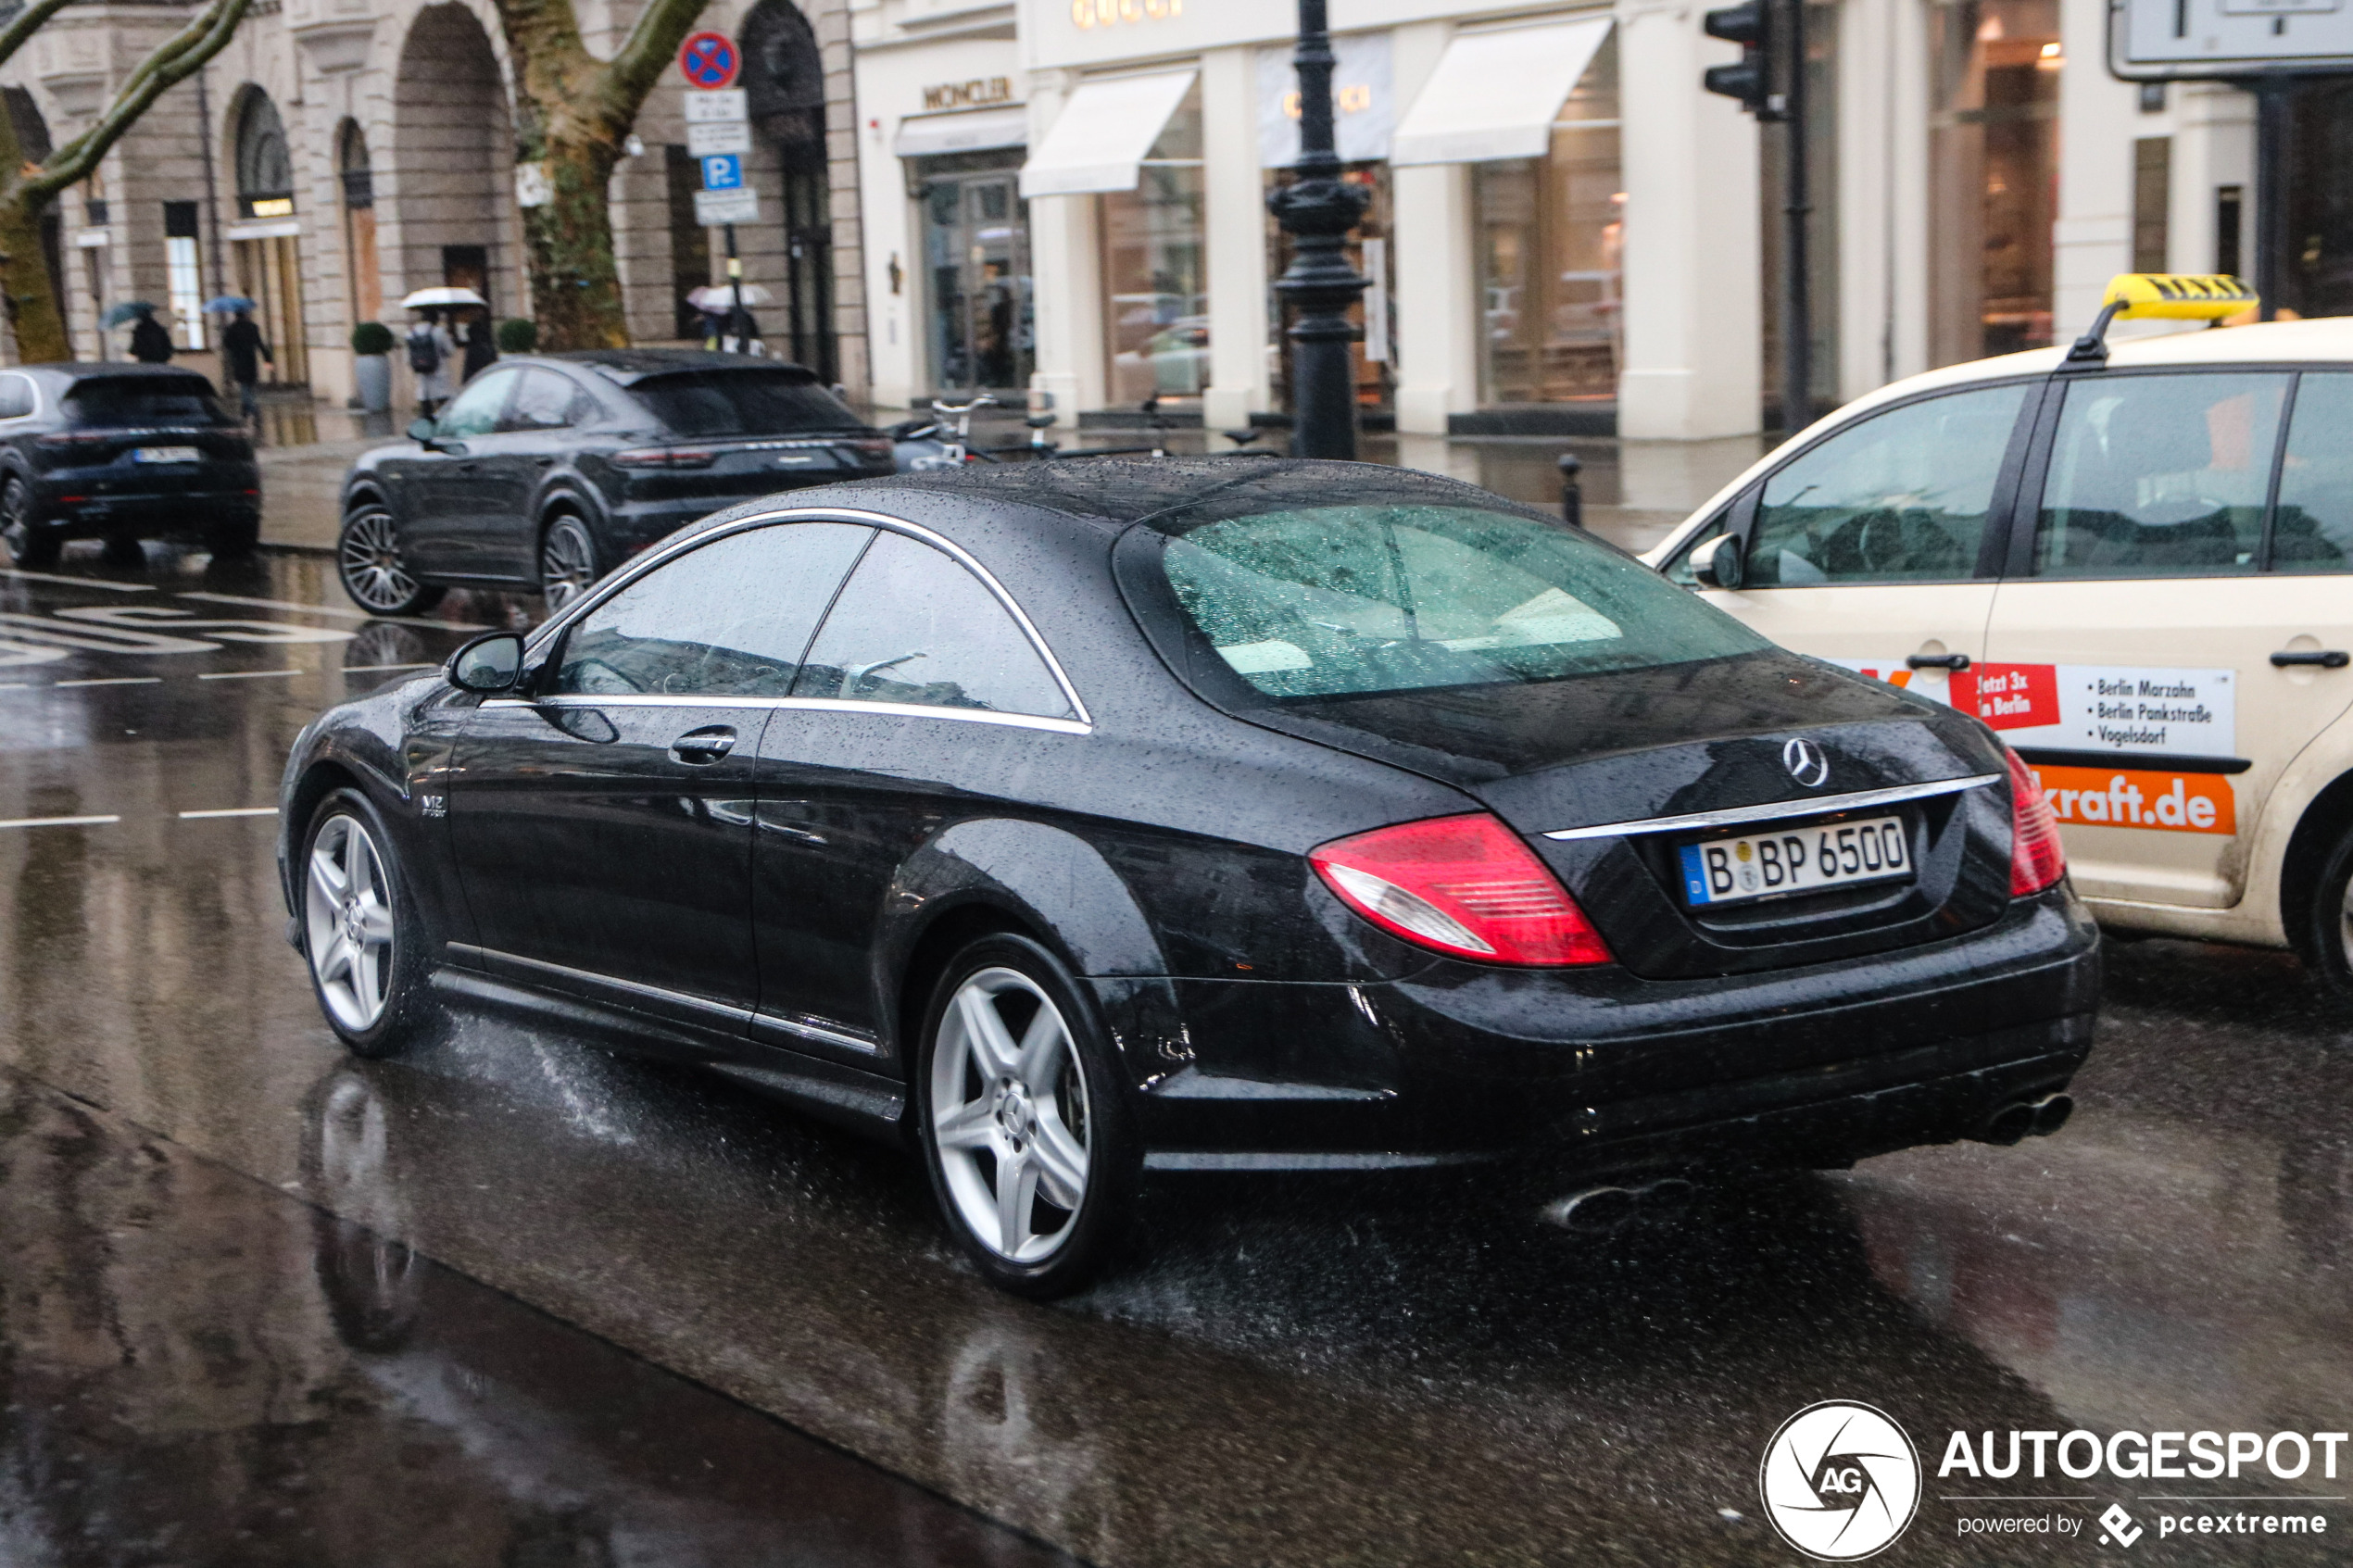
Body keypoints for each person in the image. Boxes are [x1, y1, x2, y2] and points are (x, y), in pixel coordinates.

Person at [219, 308, 270, 420]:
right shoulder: (252, 327)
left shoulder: (232, 328)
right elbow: (259, 343)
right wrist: (267, 359)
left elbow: (227, 344)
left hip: (238, 360)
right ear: (245, 314)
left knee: (244, 385)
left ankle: (248, 408)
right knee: (250, 384)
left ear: (235, 315)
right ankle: (249, 407)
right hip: (250, 359)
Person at [407, 310, 457, 417]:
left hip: (420, 371)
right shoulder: (439, 331)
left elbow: (409, 356)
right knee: (443, 402)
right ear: (436, 319)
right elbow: (450, 351)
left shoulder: (411, 332)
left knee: (424, 399)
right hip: (439, 371)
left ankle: (426, 422)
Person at [460, 307, 497, 382]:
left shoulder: (472, 349)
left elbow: (468, 369)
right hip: (489, 379)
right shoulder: (489, 347)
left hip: (477, 380)